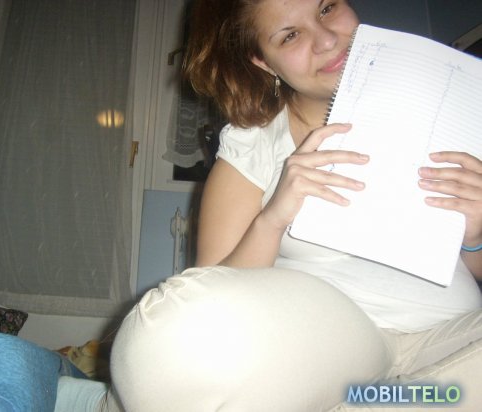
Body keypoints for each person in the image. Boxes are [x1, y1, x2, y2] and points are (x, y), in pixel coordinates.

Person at [109, 0, 482, 410]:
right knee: (172, 343)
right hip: (334, 340)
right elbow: (210, 298)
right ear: (263, 61)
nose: (327, 40)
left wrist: (476, 233)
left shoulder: (449, 105)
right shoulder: (255, 143)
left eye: (327, 8)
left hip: (455, 336)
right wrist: (273, 218)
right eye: (290, 36)